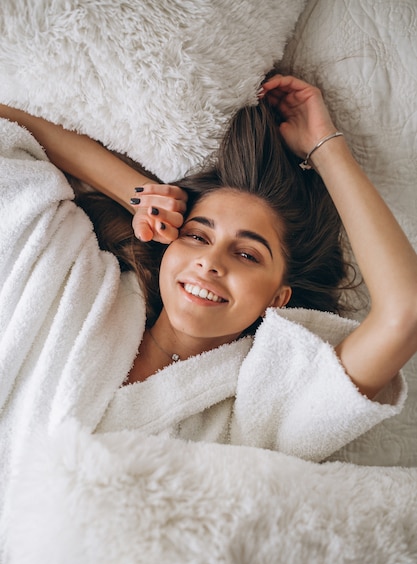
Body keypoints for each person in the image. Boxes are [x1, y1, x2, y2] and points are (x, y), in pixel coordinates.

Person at [0, 74, 417, 461]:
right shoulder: (78, 280)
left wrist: (327, 149)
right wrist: (136, 193)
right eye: (197, 236)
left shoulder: (266, 407)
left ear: (278, 297)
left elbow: (406, 312)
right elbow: (8, 122)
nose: (210, 261)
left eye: (247, 255)